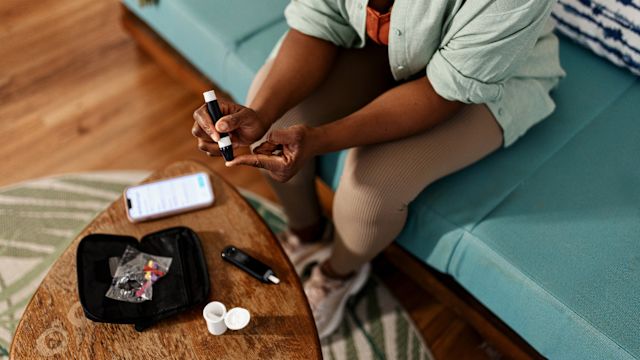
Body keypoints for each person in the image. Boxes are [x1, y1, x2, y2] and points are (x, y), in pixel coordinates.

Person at [192, 0, 565, 339]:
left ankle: (337, 276)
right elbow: (320, 16)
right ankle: (306, 234)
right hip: (379, 45)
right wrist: (260, 114)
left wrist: (319, 139)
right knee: (271, 128)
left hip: (476, 80)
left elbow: (441, 92)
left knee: (369, 193)